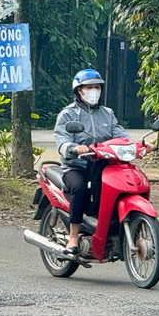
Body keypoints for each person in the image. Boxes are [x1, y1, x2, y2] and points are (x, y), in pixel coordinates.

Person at [53, 69, 127, 259]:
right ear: (79, 90)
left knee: (117, 187)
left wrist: (139, 146)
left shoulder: (107, 114)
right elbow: (62, 140)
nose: (94, 91)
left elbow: (120, 135)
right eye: (89, 87)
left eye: (97, 87)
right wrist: (74, 148)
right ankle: (73, 238)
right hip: (76, 166)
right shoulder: (68, 115)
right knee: (79, 189)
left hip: (103, 166)